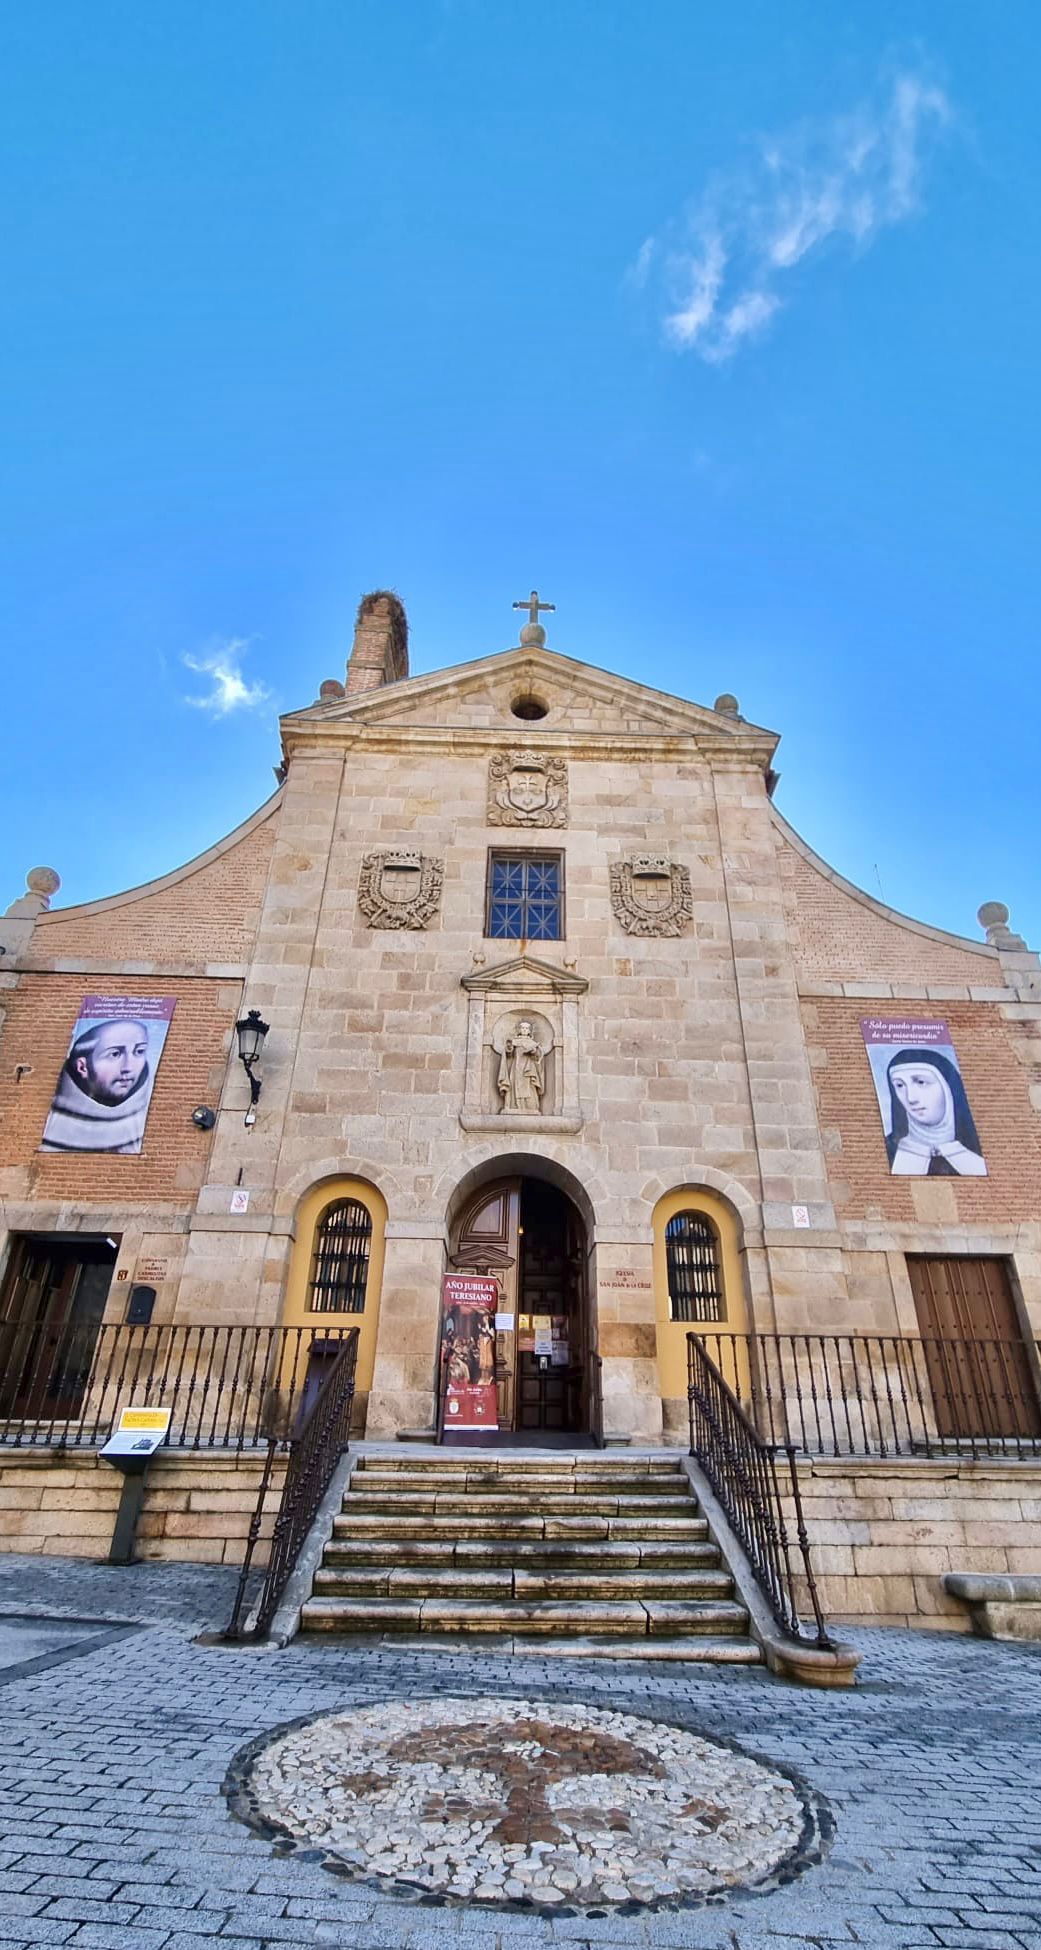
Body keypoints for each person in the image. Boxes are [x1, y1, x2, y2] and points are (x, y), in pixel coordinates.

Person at [41, 1018, 153, 1154]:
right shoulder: (51, 1125)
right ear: (82, 1067)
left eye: (139, 1051)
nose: (128, 1067)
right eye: (114, 1054)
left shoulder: (146, 1117)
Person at [884, 1047, 987, 1176]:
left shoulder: (978, 1150)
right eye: (900, 1085)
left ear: (947, 1088)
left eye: (921, 1082)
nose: (911, 1098)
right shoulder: (889, 1151)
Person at [498, 1019, 545, 1114]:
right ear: (519, 1030)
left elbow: (538, 1057)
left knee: (530, 1087)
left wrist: (534, 1052)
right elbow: (509, 1055)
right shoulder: (515, 1041)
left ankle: (530, 1107)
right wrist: (509, 1048)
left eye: (526, 1028)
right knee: (514, 1086)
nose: (524, 1030)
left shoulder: (533, 1043)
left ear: (529, 1031)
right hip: (516, 1068)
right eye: (522, 1028)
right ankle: (514, 1105)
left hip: (529, 1068)